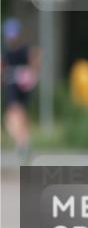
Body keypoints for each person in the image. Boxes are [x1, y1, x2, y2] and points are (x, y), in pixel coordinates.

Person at [1, 18, 38, 162]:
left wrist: (32, 74)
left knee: (16, 114)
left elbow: (34, 58)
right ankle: (22, 142)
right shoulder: (7, 51)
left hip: (19, 84)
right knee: (16, 114)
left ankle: (22, 142)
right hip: (12, 84)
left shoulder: (23, 50)